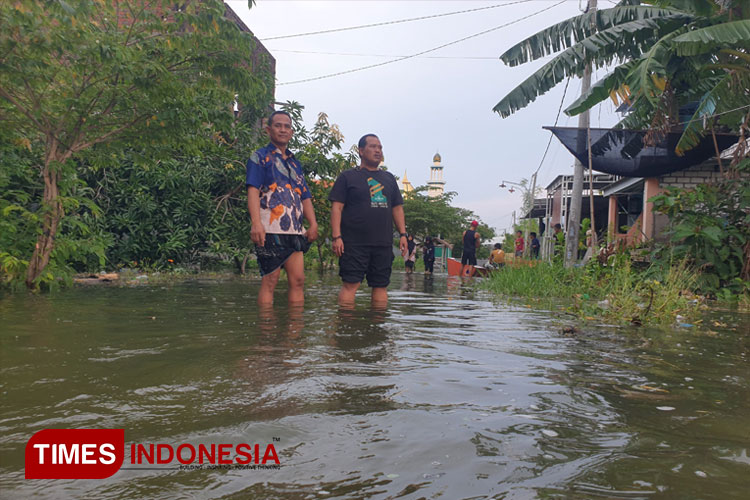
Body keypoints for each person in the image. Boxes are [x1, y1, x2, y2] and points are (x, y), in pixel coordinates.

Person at [247, 110, 318, 305]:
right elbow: (253, 191)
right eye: (278, 125)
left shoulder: (295, 163)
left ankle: (294, 332)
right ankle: (267, 332)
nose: (283, 129)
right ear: (268, 129)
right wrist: (256, 223)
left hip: (294, 230)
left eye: (287, 126)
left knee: (298, 281)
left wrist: (313, 223)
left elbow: (305, 195)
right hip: (269, 229)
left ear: (292, 132)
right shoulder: (259, 157)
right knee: (270, 281)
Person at [329, 134, 408, 306]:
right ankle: (345, 327)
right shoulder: (347, 177)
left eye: (380, 147)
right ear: (361, 151)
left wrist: (403, 234)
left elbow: (397, 208)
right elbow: (337, 208)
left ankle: (377, 330)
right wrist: (337, 237)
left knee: (381, 286)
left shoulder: (389, 179)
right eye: (372, 147)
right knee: (351, 284)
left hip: (383, 243)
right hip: (354, 243)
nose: (377, 150)